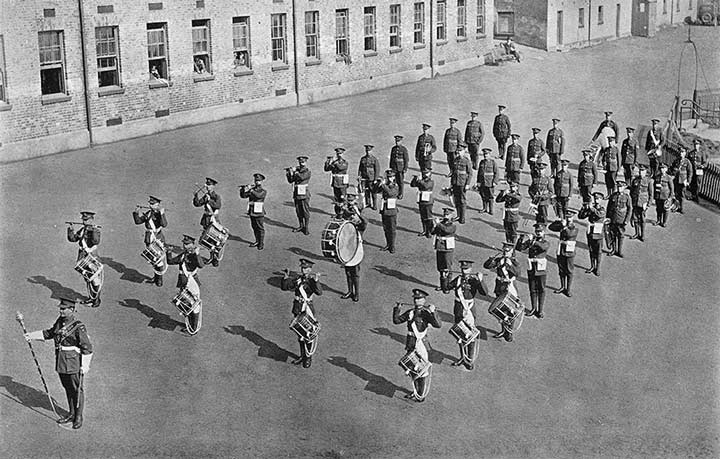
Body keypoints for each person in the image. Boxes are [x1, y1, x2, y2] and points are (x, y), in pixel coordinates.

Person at [24, 297, 93, 429]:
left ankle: (78, 416)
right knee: (68, 389)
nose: (61, 311)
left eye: (63, 309)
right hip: (61, 362)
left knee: (77, 390)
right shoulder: (60, 321)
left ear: (72, 310)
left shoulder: (78, 327)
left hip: (73, 363)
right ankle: (71, 413)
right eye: (60, 308)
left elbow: (87, 347)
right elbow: (51, 333)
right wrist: (32, 335)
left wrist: (85, 365)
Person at [393, 289, 441, 402]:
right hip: (411, 343)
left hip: (421, 344)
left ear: (424, 300)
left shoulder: (426, 313)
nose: (417, 300)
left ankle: (420, 394)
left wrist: (433, 312)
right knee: (412, 367)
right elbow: (397, 320)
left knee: (422, 369)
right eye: (415, 298)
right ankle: (415, 392)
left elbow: (438, 325)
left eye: (419, 299)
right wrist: (397, 309)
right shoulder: (410, 312)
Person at [282, 259, 323, 368]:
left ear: (310, 269)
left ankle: (308, 358)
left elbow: (319, 292)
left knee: (308, 334)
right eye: (302, 268)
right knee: (300, 334)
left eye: (305, 268)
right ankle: (302, 356)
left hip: (307, 309)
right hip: (298, 308)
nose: (303, 270)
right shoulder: (298, 279)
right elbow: (285, 287)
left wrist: (317, 280)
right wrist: (286, 276)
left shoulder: (311, 281)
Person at [449, 260, 487, 370]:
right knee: (460, 333)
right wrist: (444, 277)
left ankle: (469, 360)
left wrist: (481, 280)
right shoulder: (458, 279)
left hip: (469, 309)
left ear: (470, 269)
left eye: (466, 269)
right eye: (462, 269)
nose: (464, 271)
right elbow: (446, 288)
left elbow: (484, 293)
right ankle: (462, 356)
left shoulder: (474, 280)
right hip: (458, 309)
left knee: (470, 334)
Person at [167, 235, 205, 334]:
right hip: (183, 283)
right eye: (184, 244)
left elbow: (201, 265)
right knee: (187, 305)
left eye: (188, 244)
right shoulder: (183, 255)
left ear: (193, 244)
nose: (185, 246)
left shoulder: (194, 255)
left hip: (192, 284)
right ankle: (190, 325)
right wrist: (169, 252)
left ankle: (194, 328)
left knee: (194, 306)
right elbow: (170, 261)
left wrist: (197, 254)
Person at [483, 242, 520, 342]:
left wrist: (509, 265)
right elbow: (487, 266)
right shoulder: (499, 260)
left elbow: (518, 273)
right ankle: (503, 330)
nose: (505, 252)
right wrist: (490, 259)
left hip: (510, 287)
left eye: (507, 251)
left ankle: (509, 332)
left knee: (510, 311)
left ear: (512, 252)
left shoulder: (514, 262)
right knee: (501, 310)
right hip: (500, 286)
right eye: (504, 250)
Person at [67, 211, 102, 307]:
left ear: (91, 220)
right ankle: (91, 298)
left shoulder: (95, 230)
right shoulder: (83, 229)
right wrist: (71, 229)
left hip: (91, 256)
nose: (83, 221)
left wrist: (94, 230)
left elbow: (95, 241)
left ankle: (96, 300)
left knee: (94, 279)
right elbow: (73, 239)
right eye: (83, 219)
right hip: (83, 256)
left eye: (86, 219)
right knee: (88, 278)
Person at [517, 223, 550, 319]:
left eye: (540, 231)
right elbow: (520, 248)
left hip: (541, 268)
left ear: (544, 232)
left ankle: (540, 310)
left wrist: (533, 241)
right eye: (536, 231)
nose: (538, 233)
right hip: (532, 267)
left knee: (541, 289)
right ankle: (533, 308)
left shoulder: (545, 242)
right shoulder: (532, 241)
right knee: (532, 289)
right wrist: (520, 239)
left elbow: (543, 248)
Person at [133, 195, 168, 286]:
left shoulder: (159, 214)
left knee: (158, 259)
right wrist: (136, 213)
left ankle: (159, 280)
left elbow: (164, 224)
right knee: (153, 258)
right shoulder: (148, 213)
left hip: (157, 238)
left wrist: (162, 214)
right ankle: (156, 277)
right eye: (150, 203)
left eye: (153, 204)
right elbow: (138, 222)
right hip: (149, 238)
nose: (150, 205)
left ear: (158, 205)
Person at [339, 188, 366, 302]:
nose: (349, 201)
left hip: (355, 246)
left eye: (351, 198)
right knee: (347, 271)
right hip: (346, 244)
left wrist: (356, 215)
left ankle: (357, 293)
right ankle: (350, 291)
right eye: (348, 198)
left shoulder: (357, 210)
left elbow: (363, 223)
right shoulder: (348, 209)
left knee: (355, 272)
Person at [192, 177, 223, 266]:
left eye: (209, 185)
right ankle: (211, 257)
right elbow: (197, 204)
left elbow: (218, 206)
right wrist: (195, 196)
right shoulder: (206, 195)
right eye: (207, 185)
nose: (207, 187)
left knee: (215, 240)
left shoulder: (217, 196)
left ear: (213, 186)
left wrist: (209, 200)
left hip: (214, 220)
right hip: (206, 220)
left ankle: (215, 259)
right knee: (209, 240)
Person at [372, 170, 400, 253]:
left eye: (391, 177)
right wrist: (377, 184)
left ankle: (392, 246)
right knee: (386, 228)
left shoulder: (395, 186)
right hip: (384, 208)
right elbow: (374, 191)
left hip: (391, 210)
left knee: (392, 228)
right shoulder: (385, 185)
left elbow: (391, 193)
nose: (390, 178)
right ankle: (388, 244)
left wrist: (383, 185)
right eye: (388, 177)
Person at [578, 192, 606, 276]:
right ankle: (592, 266)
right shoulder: (591, 208)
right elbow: (581, 217)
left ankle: (598, 267)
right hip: (591, 231)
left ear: (601, 200)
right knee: (591, 249)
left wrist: (591, 209)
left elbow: (600, 214)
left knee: (598, 251)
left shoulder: (602, 209)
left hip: (598, 231)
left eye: (598, 199)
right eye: (595, 198)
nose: (596, 200)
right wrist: (584, 209)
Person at [430, 208, 457, 293]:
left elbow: (446, 230)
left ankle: (448, 286)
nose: (445, 216)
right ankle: (442, 285)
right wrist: (434, 225)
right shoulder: (440, 224)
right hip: (439, 247)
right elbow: (432, 232)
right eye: (444, 214)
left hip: (448, 248)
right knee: (440, 267)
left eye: (447, 215)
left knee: (447, 267)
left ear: (451, 216)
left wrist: (438, 224)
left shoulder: (452, 225)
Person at [239, 173, 267, 250]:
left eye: (258, 181)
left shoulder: (263, 191)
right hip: (252, 212)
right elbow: (244, 196)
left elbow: (258, 196)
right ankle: (257, 241)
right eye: (256, 180)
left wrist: (250, 190)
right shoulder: (253, 190)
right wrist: (242, 190)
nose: (257, 182)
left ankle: (261, 243)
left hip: (259, 212)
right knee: (254, 227)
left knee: (260, 228)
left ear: (261, 181)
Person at [554, 210, 578, 297]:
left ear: (573, 218)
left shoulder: (573, 227)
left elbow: (570, 234)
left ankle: (568, 289)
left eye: (570, 217)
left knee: (569, 270)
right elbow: (551, 227)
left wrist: (564, 227)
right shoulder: (563, 225)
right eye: (567, 217)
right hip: (561, 250)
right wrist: (559, 222)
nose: (568, 219)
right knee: (561, 269)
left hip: (569, 251)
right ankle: (562, 286)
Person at [286, 156, 312, 235]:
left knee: (305, 211)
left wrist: (295, 172)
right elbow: (291, 181)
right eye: (300, 162)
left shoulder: (307, 171)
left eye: (303, 162)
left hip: (304, 193)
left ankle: (306, 227)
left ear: (306, 162)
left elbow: (302, 177)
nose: (302, 164)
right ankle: (301, 225)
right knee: (298, 210)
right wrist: (289, 173)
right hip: (297, 193)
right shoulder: (297, 170)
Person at [606, 181, 632, 258]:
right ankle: (613, 250)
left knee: (620, 235)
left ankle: (619, 251)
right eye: (618, 187)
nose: (619, 188)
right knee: (613, 234)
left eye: (621, 187)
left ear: (624, 188)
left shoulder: (627, 197)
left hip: (621, 219)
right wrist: (608, 218)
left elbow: (630, 209)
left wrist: (627, 220)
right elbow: (609, 207)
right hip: (613, 218)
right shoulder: (613, 196)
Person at [449, 141, 473, 224]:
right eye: (457, 151)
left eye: (460, 151)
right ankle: (458, 215)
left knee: (462, 200)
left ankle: (462, 218)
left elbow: (470, 173)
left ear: (464, 151)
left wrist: (468, 184)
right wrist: (451, 183)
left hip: (462, 183)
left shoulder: (466, 161)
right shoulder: (455, 160)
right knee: (456, 200)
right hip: (455, 182)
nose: (458, 153)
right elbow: (453, 172)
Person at [629, 165, 653, 242]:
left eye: (643, 171)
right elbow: (632, 191)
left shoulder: (649, 181)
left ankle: (642, 235)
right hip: (635, 202)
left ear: (645, 172)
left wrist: (648, 204)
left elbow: (651, 194)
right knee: (635, 218)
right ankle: (636, 233)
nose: (641, 172)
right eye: (640, 171)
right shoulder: (635, 180)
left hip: (643, 203)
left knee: (642, 219)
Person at [410, 167, 435, 237]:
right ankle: (424, 230)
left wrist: (419, 180)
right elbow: (412, 185)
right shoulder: (422, 181)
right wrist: (415, 179)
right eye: (424, 173)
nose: (425, 175)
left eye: (426, 174)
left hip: (428, 201)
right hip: (421, 200)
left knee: (428, 217)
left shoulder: (431, 181)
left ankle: (429, 231)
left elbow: (425, 186)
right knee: (423, 216)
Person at [476, 148, 499, 214]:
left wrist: (495, 182)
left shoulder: (493, 162)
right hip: (482, 182)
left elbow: (496, 173)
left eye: (487, 154)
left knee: (490, 196)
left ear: (490, 155)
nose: (485, 156)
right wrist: (478, 181)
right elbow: (479, 173)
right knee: (483, 195)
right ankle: (484, 208)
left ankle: (491, 210)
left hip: (490, 182)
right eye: (484, 154)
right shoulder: (482, 162)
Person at [358, 144, 381, 209]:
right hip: (364, 178)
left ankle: (374, 205)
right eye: (367, 151)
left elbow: (377, 169)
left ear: (371, 151)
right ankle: (368, 203)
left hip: (372, 178)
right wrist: (359, 175)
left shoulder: (374, 159)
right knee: (366, 191)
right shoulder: (363, 159)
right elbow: (360, 168)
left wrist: (375, 179)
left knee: (373, 192)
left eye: (369, 151)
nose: (368, 152)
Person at [673, 147, 693, 214]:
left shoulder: (687, 162)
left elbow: (690, 172)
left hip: (683, 181)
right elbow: (672, 168)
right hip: (676, 180)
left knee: (682, 195)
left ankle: (681, 208)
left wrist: (688, 181)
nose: (681, 153)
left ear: (685, 153)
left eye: (682, 152)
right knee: (676, 194)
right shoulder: (676, 160)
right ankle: (676, 206)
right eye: (680, 152)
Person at [654, 163, 674, 228]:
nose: (662, 170)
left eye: (663, 168)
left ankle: (664, 222)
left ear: (666, 169)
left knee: (665, 209)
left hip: (665, 196)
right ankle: (658, 220)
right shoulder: (657, 176)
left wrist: (670, 197)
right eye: (661, 168)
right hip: (658, 195)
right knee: (658, 209)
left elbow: (672, 188)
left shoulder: (668, 177)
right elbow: (655, 186)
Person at [390, 135, 410, 200]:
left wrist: (405, 168)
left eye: (398, 141)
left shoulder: (403, 149)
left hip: (400, 168)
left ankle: (401, 193)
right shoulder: (393, 149)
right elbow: (392, 158)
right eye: (396, 141)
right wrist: (391, 166)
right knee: (394, 181)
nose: (397, 143)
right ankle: (395, 192)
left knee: (400, 181)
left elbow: (406, 159)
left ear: (401, 141)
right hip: (394, 167)